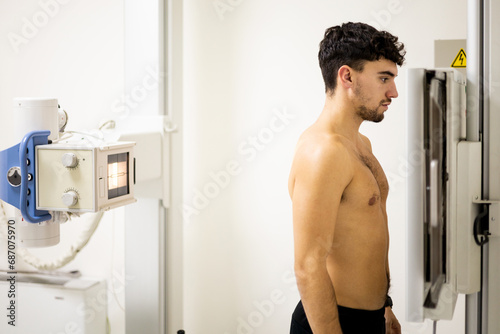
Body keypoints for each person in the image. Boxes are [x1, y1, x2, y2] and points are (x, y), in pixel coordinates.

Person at [288, 22, 405, 334]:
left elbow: (371, 229)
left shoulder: (360, 144)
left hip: (371, 317)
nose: (393, 91)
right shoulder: (323, 153)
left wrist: (385, 305)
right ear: (347, 76)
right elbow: (308, 265)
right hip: (334, 322)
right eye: (384, 78)